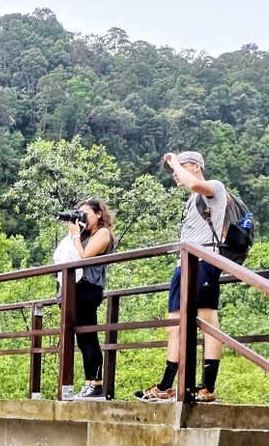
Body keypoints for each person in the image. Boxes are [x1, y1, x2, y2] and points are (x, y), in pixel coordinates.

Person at [135, 150, 225, 403]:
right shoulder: (190, 201)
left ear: (196, 166)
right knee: (174, 326)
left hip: (204, 263)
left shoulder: (214, 188)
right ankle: (166, 385)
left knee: (207, 323)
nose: (175, 174)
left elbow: (195, 183)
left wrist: (173, 160)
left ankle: (207, 386)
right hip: (183, 265)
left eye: (180, 168)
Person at [63, 199, 116, 400]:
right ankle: (89, 382)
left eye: (86, 214)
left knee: (89, 336)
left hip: (89, 288)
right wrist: (76, 234)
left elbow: (84, 255)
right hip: (76, 288)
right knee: (82, 339)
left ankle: (96, 384)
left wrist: (76, 235)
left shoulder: (103, 233)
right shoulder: (84, 235)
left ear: (99, 213)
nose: (83, 218)